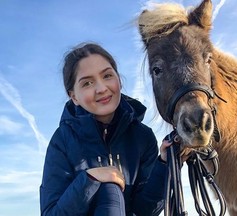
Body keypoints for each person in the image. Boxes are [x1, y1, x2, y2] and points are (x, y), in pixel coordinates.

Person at [40, 42, 172, 216]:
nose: (101, 89)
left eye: (107, 76)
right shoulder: (62, 141)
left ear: (119, 79)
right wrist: (90, 179)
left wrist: (163, 164)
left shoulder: (143, 137)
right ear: (74, 97)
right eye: (87, 83)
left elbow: (144, 211)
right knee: (110, 188)